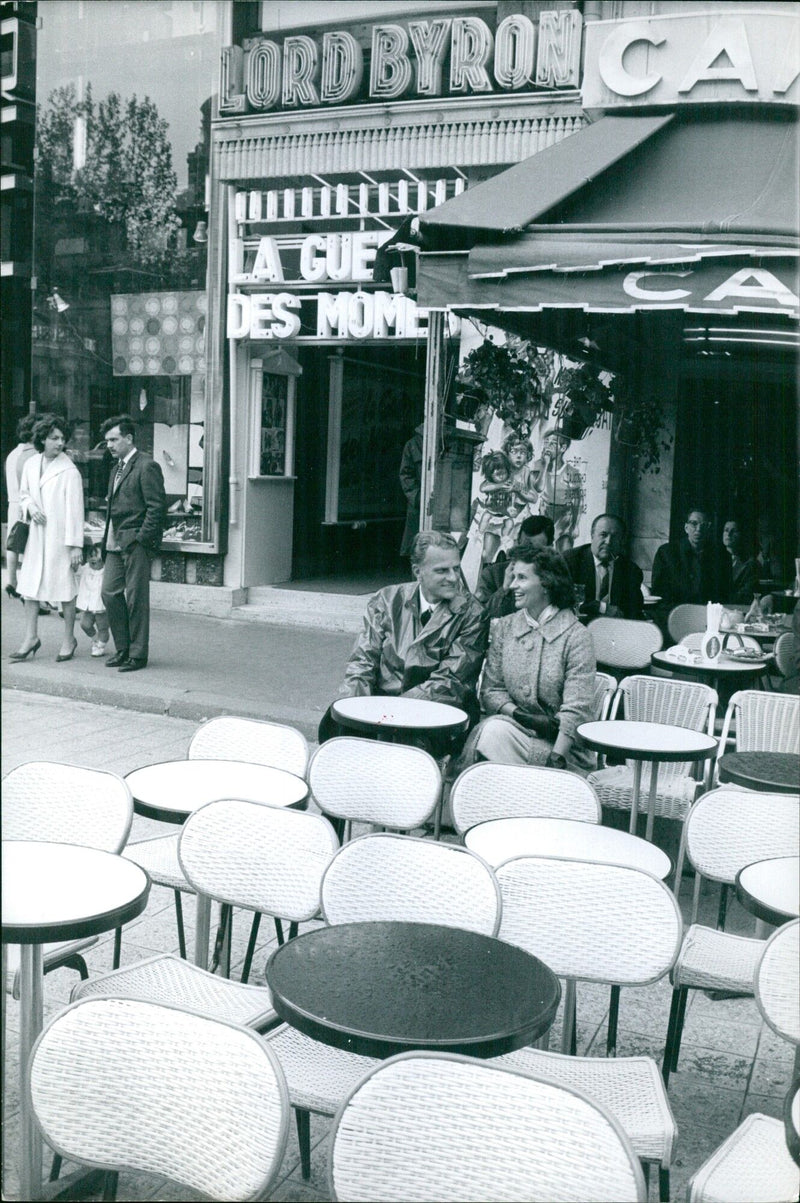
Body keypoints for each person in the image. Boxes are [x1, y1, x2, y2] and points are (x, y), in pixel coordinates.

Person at [319, 530, 488, 744]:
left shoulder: (473, 613)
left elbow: (450, 681)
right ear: (418, 571)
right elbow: (363, 661)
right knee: (338, 726)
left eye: (456, 568)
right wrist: (353, 708)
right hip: (380, 705)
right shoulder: (387, 599)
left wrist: (392, 712)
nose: (453, 578)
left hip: (437, 711)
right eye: (442, 571)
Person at [466, 546, 597, 774]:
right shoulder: (505, 627)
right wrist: (520, 716)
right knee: (492, 732)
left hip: (563, 750)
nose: (512, 585)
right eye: (513, 577)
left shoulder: (577, 636)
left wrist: (556, 760)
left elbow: (577, 709)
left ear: (546, 583)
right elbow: (491, 691)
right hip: (513, 730)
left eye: (522, 578)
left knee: (491, 735)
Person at [10, 415, 84, 662]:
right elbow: (23, 495)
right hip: (37, 538)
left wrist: (75, 546)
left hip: (59, 539)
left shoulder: (69, 470)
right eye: (54, 438)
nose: (60, 443)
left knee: (64, 589)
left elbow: (76, 510)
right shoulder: (31, 463)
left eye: (62, 438)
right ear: (42, 439)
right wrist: (31, 506)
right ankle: (31, 637)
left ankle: (68, 639)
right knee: (31, 588)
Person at [100, 415, 166, 672]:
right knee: (109, 592)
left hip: (135, 542)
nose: (109, 445)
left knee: (136, 598)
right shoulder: (115, 468)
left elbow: (156, 507)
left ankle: (138, 654)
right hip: (116, 542)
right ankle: (123, 647)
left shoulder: (146, 465)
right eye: (107, 441)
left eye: (114, 439)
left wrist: (141, 540)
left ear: (129, 438)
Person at [564, 514, 644, 622]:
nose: (608, 542)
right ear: (592, 535)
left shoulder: (631, 570)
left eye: (615, 537)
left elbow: (634, 611)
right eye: (603, 535)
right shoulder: (570, 561)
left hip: (615, 631)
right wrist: (603, 608)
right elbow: (564, 600)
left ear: (622, 541)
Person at [651, 507, 729, 616]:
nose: (699, 529)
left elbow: (723, 594)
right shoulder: (667, 553)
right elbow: (658, 592)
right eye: (694, 523)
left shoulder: (720, 557)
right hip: (673, 614)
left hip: (706, 616)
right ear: (686, 527)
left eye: (704, 525)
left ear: (709, 529)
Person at [475, 514, 554, 620]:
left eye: (536, 551)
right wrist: (504, 589)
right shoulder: (492, 574)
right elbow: (478, 617)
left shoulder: (556, 576)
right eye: (524, 547)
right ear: (517, 542)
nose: (527, 555)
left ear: (549, 549)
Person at [531, 429, 583, 550]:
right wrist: (545, 465)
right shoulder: (538, 465)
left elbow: (577, 501)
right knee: (543, 549)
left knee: (564, 550)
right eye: (546, 442)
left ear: (562, 448)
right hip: (545, 511)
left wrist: (575, 525)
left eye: (553, 443)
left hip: (564, 513)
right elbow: (538, 488)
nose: (547, 446)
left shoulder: (571, 472)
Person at [4, 413, 37, 599]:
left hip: (13, 501)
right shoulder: (31, 455)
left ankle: (12, 581)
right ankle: (27, 591)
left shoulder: (12, 454)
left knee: (13, 542)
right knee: (28, 545)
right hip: (25, 504)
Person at [76, 539, 110, 657]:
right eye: (91, 556)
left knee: (103, 627)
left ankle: (101, 644)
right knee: (84, 624)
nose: (93, 559)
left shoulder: (107, 571)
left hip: (102, 606)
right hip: (88, 605)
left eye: (97, 556)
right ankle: (95, 639)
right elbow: (75, 568)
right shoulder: (86, 569)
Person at [398, 423, 424, 558]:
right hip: (418, 504)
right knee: (416, 549)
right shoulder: (413, 444)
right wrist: (418, 497)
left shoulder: (448, 442)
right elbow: (406, 474)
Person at [721, 519, 759, 605]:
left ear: (741, 535)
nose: (729, 534)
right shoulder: (714, 560)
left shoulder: (751, 564)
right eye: (726, 530)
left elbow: (746, 595)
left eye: (734, 531)